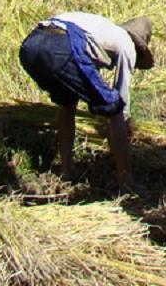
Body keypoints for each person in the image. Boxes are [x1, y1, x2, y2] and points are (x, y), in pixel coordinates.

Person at [19, 11, 154, 194]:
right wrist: (123, 125)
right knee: (114, 107)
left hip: (31, 46)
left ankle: (67, 171)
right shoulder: (126, 45)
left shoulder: (101, 29)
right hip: (62, 47)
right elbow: (120, 103)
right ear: (140, 46)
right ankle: (127, 182)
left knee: (68, 103)